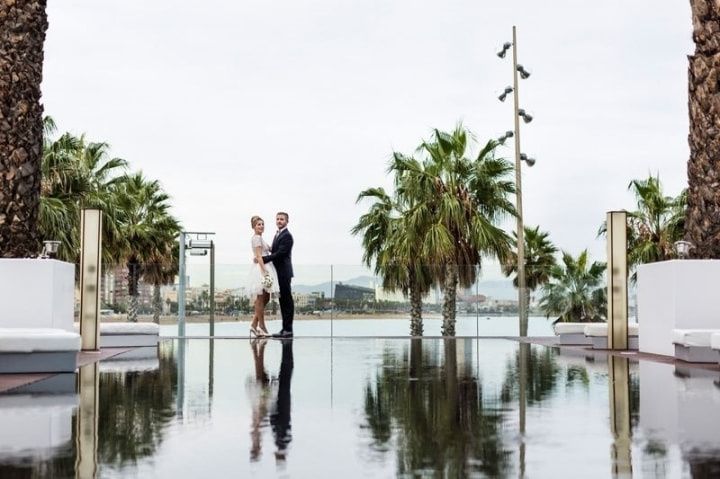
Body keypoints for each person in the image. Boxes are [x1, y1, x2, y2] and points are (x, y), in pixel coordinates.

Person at [260, 212, 294, 338]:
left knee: (286, 301)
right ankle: (284, 329)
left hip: (284, 273)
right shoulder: (278, 234)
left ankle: (288, 330)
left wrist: (264, 259)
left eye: (282, 219)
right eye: (278, 219)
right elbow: (274, 250)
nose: (279, 221)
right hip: (278, 273)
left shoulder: (287, 236)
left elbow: (280, 254)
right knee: (282, 301)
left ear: (287, 221)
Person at [247, 216, 279, 337]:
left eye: (262, 224)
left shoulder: (260, 238)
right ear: (253, 227)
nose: (261, 226)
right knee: (261, 298)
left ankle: (254, 325)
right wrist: (264, 271)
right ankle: (261, 325)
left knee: (266, 297)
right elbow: (259, 256)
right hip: (262, 269)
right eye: (258, 224)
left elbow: (270, 249)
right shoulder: (256, 239)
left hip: (265, 267)